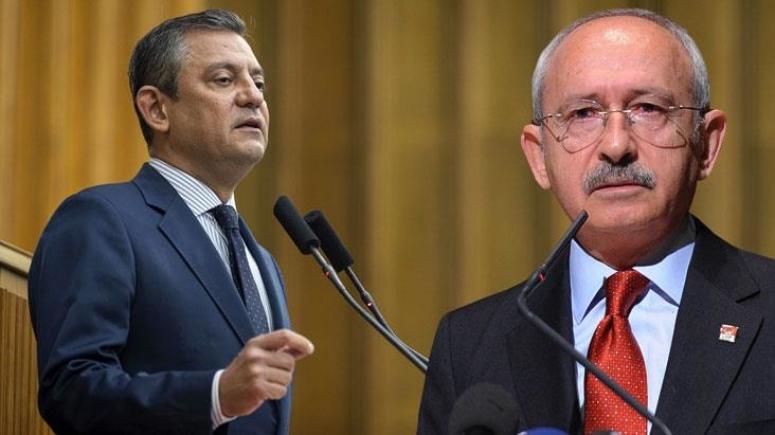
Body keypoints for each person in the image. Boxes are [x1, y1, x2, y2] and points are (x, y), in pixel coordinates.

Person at [418, 8, 775, 435]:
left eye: (648, 108)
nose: (616, 145)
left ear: (707, 144)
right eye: (583, 114)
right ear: (539, 156)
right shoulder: (468, 345)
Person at [28, 9, 313, 435]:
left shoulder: (263, 262)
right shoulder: (102, 220)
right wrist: (215, 396)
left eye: (258, 83)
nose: (253, 97)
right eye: (224, 80)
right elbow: (72, 390)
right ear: (157, 109)